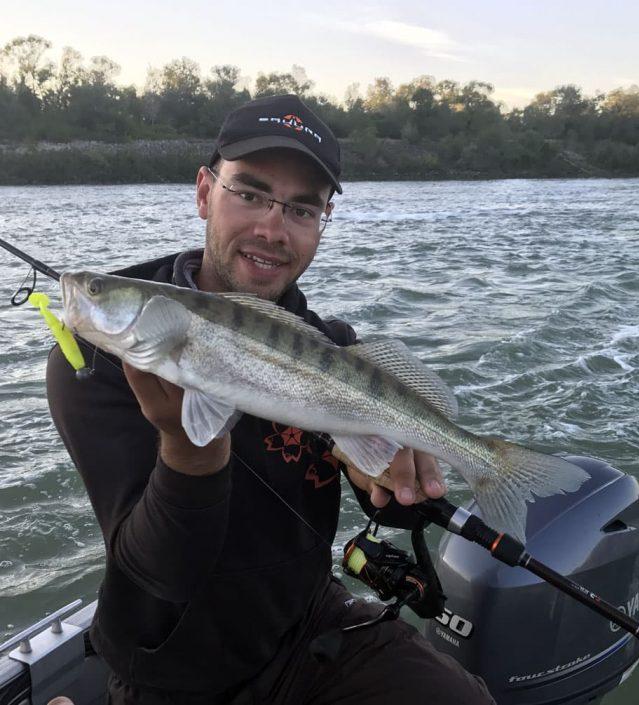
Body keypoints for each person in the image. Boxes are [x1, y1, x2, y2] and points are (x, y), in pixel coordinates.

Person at [47, 95, 495, 705]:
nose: (271, 228)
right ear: (205, 191)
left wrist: (392, 489)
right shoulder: (96, 362)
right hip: (172, 669)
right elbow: (159, 576)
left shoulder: (336, 349)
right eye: (250, 193)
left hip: (309, 627)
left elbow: (395, 506)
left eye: (302, 208)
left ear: (323, 220)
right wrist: (187, 450)